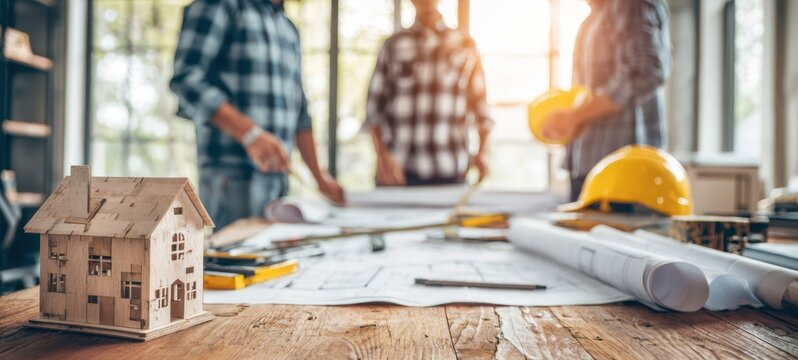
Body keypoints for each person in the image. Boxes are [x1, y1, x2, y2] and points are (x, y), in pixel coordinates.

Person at [169, 0, 344, 229]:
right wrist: (250, 134)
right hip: (230, 177)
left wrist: (320, 177)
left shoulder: (288, 29)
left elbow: (300, 111)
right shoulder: (219, 5)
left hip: (278, 182)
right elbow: (186, 79)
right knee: (229, 261)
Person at [542, 0, 671, 202]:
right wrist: (568, 118)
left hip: (622, 169)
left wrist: (574, 116)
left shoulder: (631, 5)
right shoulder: (596, 15)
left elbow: (646, 72)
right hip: (589, 162)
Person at [365, 0, 493, 187]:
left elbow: (481, 107)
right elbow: (373, 110)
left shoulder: (466, 45)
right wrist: (382, 156)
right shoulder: (393, 45)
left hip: (451, 170)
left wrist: (482, 152)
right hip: (399, 172)